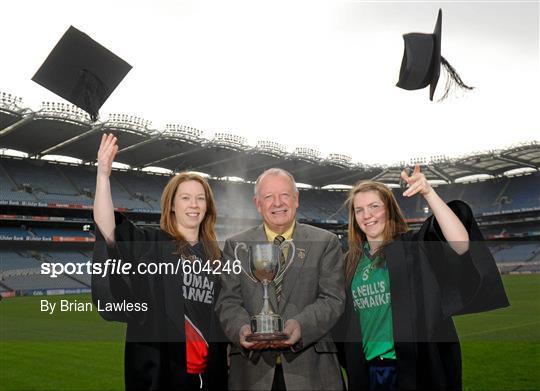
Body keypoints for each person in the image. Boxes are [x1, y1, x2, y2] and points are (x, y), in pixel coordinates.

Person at [336, 165, 509, 390]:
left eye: (374, 206)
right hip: (368, 373)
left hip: (414, 370)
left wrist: (428, 192)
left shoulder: (413, 248)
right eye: (359, 210)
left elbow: (460, 244)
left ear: (388, 210)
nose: (366, 215)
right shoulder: (349, 262)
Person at [92, 133, 228, 390]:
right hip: (162, 374)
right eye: (185, 197)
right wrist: (103, 175)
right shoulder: (152, 243)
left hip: (208, 377)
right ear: (173, 205)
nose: (194, 205)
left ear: (208, 207)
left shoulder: (216, 258)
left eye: (200, 198)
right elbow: (108, 229)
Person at [215, 168, 346, 391]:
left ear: (296, 200)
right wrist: (242, 329)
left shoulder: (326, 242)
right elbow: (228, 302)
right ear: (258, 204)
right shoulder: (235, 246)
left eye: (285, 195)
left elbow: (332, 299)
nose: (277, 203)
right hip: (251, 372)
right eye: (268, 197)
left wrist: (301, 326)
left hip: (310, 371)